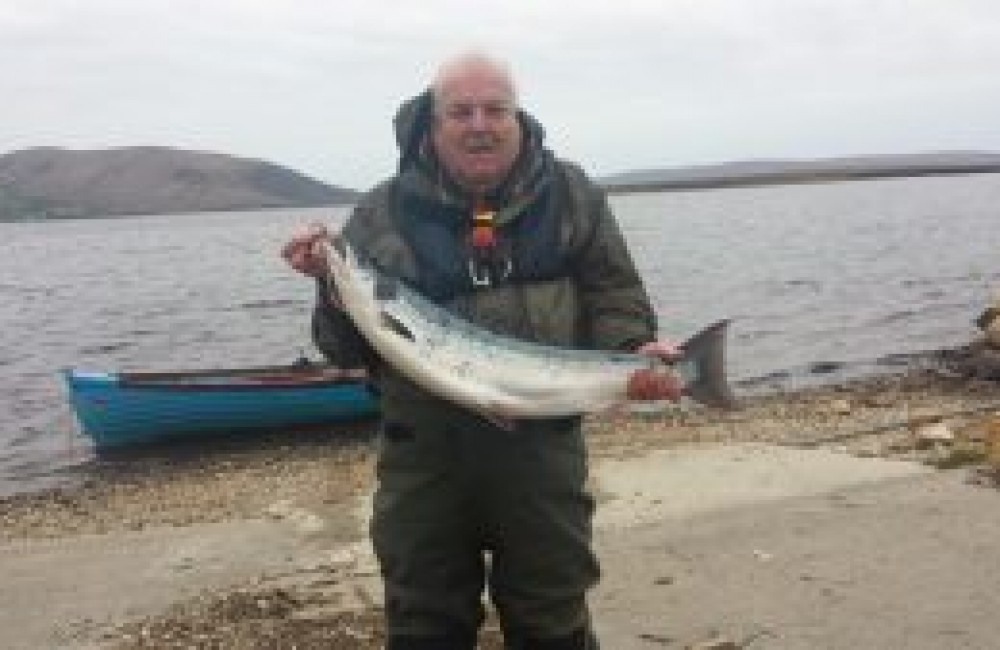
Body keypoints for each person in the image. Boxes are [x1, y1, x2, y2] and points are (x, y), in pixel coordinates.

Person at [282, 51, 681, 650]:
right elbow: (345, 350)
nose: (479, 124)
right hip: (423, 462)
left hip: (542, 453)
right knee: (424, 626)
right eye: (460, 112)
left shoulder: (572, 195)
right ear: (432, 123)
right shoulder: (379, 214)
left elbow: (615, 297)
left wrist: (634, 352)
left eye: (496, 110)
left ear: (517, 118)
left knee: (554, 624)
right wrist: (329, 283)